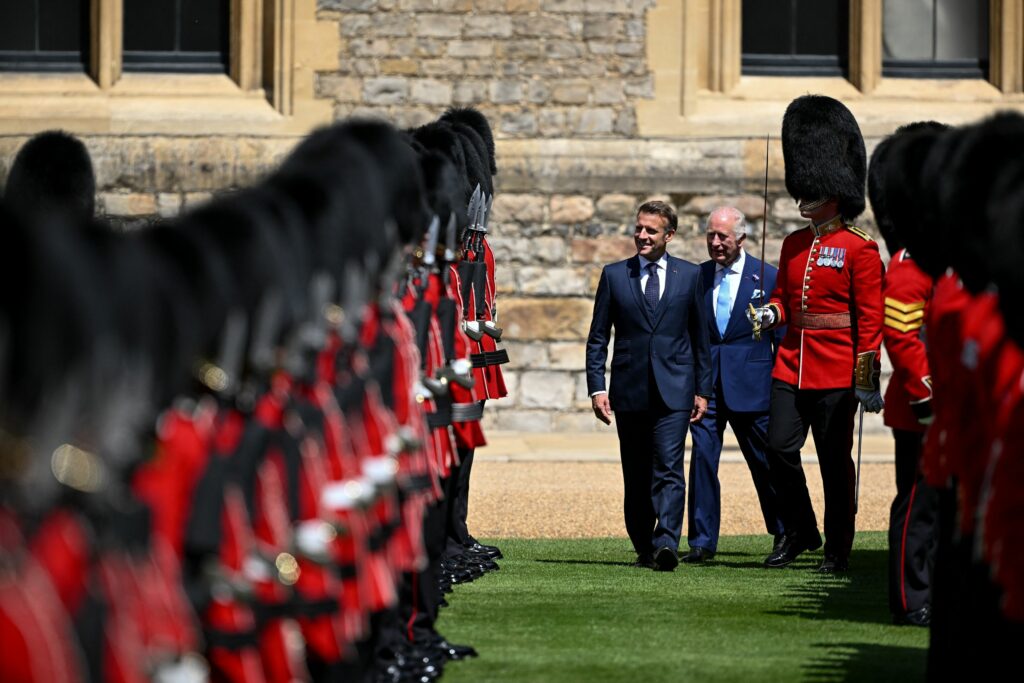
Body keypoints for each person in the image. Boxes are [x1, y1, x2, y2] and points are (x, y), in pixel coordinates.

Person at [749, 95, 884, 573]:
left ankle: (837, 549)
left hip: (836, 370)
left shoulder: (859, 249)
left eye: (812, 190)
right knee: (778, 449)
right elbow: (787, 298)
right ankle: (803, 531)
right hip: (791, 362)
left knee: (833, 463)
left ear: (834, 190)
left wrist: (866, 377)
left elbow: (871, 318)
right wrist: (771, 313)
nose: (803, 198)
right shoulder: (793, 244)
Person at [586, 200, 712, 572]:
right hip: (628, 390)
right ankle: (644, 543)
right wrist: (597, 387)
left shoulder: (690, 276)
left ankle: (667, 541)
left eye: (651, 230)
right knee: (637, 472)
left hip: (675, 389)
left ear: (669, 235)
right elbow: (597, 338)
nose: (642, 235)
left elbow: (700, 338)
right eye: (639, 228)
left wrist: (702, 390)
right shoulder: (613, 275)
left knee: (670, 467)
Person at [868, 123, 946, 626]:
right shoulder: (910, 262)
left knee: (945, 509)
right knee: (917, 506)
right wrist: (928, 398)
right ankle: (909, 598)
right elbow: (901, 333)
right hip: (924, 408)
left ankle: (935, 590)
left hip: (956, 404)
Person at [683, 207, 785, 564]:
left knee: (765, 463)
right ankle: (701, 542)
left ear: (741, 237)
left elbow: (782, 339)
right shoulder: (697, 277)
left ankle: (784, 533)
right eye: (710, 235)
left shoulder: (768, 277)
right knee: (703, 462)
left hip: (754, 386)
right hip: (705, 389)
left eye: (722, 236)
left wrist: (782, 389)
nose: (715, 243)